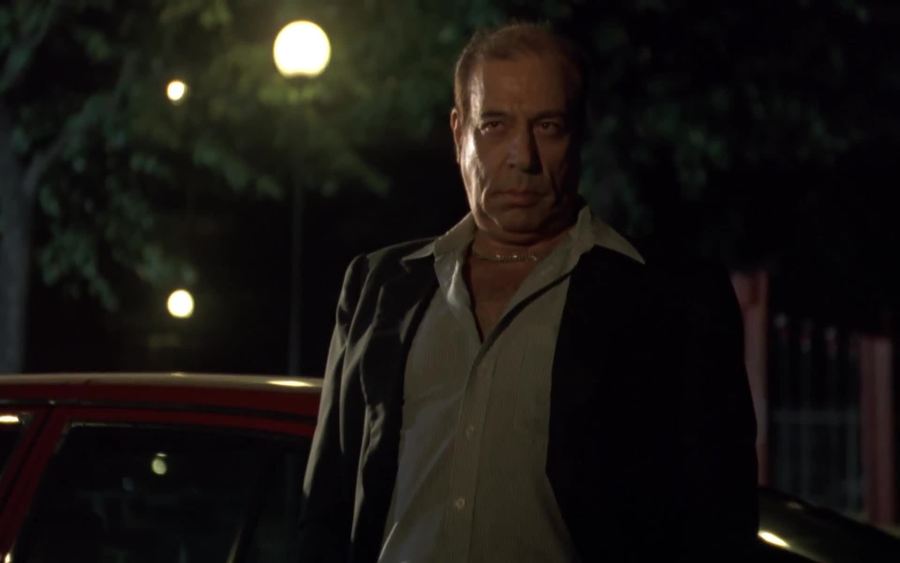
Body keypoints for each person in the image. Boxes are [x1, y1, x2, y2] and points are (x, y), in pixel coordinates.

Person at [300, 22, 758, 563]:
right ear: (459, 133)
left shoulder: (671, 301)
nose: (523, 156)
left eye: (548, 126)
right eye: (494, 125)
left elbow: (716, 524)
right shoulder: (381, 287)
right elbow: (327, 511)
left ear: (579, 135)